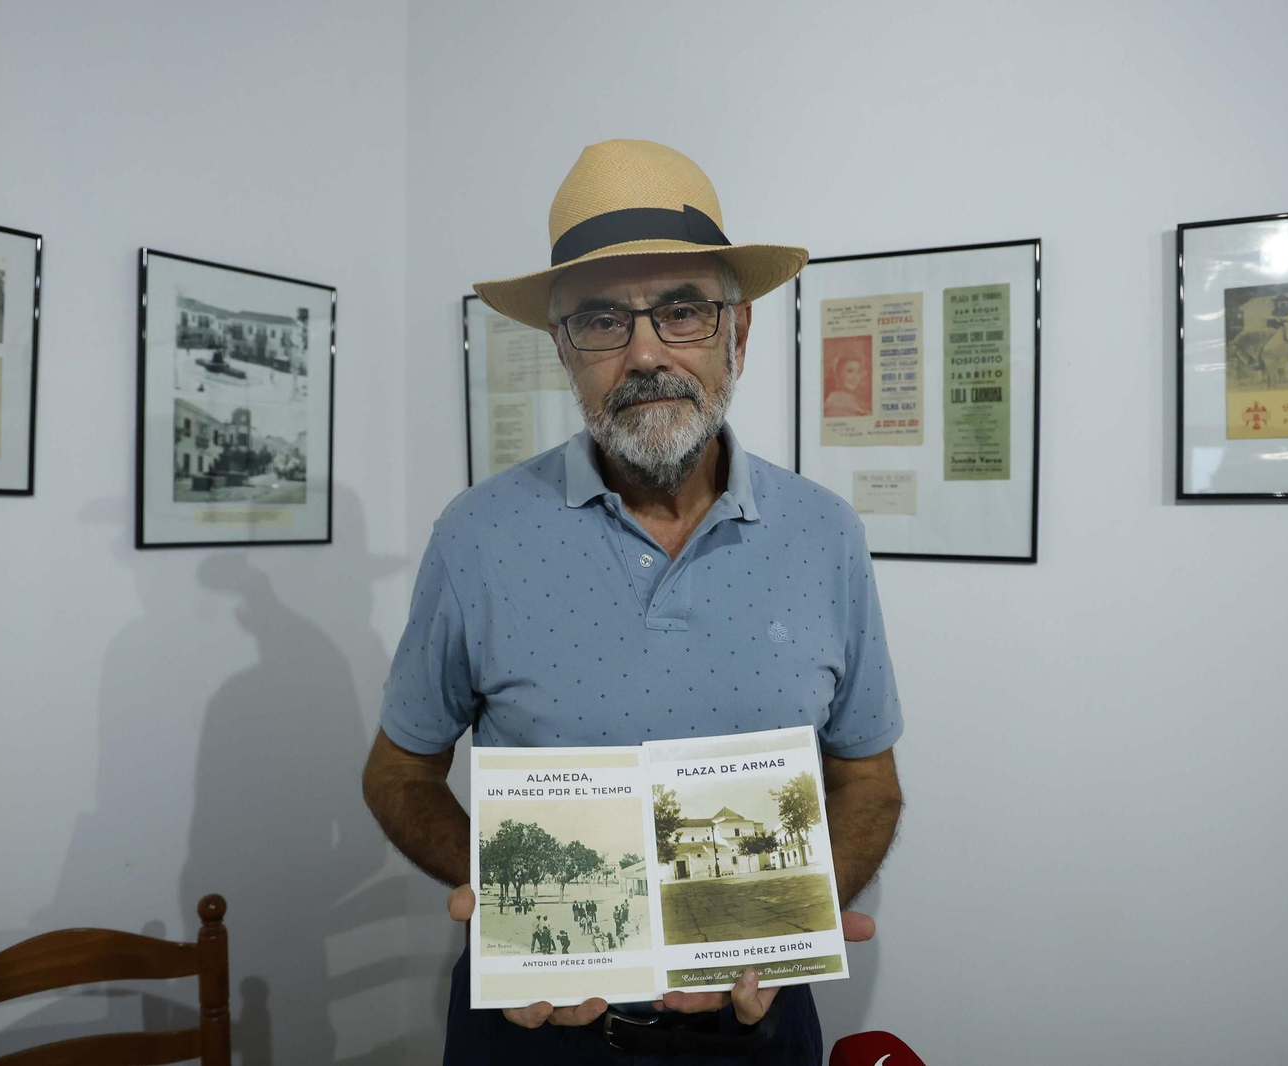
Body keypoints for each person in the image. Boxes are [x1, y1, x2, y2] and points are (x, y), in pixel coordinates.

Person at [364, 140, 904, 1063]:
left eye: (682, 311)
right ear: (562, 350)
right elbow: (398, 774)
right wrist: (510, 896)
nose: (646, 353)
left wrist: (797, 918)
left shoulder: (825, 535)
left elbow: (869, 783)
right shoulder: (477, 536)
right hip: (535, 1031)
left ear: (738, 334)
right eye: (603, 321)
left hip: (756, 1028)